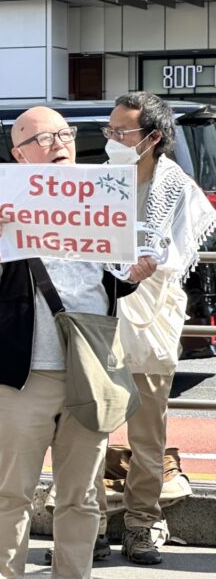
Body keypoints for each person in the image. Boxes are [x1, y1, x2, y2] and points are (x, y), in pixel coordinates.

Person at [0, 106, 155, 579]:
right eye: (43, 139)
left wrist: (133, 274)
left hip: (89, 370)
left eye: (64, 134)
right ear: (19, 154)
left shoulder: (100, 198)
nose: (59, 144)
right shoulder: (3, 210)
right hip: (23, 376)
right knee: (12, 493)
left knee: (83, 495)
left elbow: (112, 281)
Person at [96, 92, 216, 564]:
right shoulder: (100, 183)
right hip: (99, 318)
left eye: (122, 132)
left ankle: (142, 522)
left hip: (151, 318)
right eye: (110, 131)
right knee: (91, 427)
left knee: (146, 432)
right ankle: (91, 521)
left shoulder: (176, 187)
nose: (113, 140)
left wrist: (157, 262)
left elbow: (182, 248)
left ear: (153, 138)